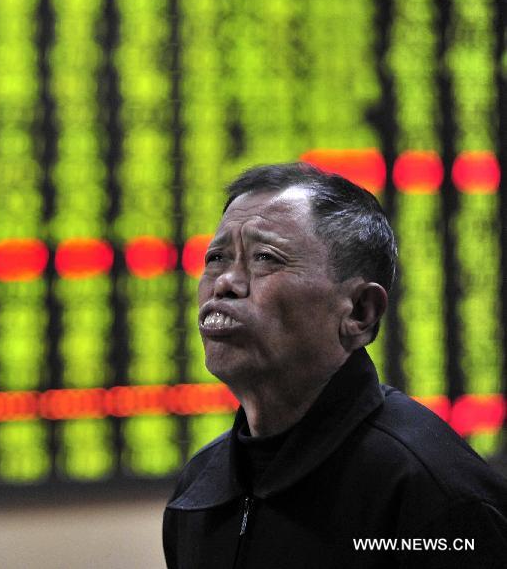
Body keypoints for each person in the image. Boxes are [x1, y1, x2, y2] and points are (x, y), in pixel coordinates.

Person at [163, 162, 507, 568]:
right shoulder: (199, 489)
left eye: (265, 258)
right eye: (217, 257)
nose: (224, 283)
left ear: (360, 312)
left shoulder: (433, 494)